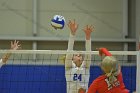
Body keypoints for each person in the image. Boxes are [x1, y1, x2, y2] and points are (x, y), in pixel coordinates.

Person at [64, 19, 94, 93]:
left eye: (80, 55)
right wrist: (72, 34)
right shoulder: (69, 67)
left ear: (82, 59)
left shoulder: (86, 67)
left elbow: (88, 54)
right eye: (76, 55)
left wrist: (88, 37)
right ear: (72, 58)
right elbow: (69, 50)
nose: (78, 55)